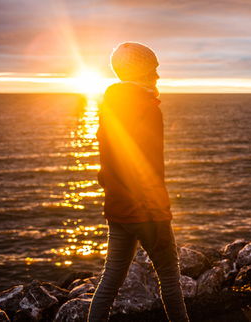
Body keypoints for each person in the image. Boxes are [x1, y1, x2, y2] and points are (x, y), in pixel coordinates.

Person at [88, 42, 189, 322]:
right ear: (141, 72)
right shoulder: (147, 108)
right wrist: (157, 212)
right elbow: (149, 168)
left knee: (109, 282)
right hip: (146, 210)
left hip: (118, 208)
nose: (157, 76)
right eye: (153, 70)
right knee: (170, 281)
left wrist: (115, 192)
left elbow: (108, 162)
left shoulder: (108, 107)